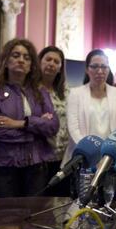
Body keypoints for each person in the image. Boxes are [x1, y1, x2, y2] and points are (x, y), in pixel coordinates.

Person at [0, 38, 59, 198]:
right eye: (16, 55)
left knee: (34, 216)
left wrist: (20, 123)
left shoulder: (41, 93)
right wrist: (38, 129)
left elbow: (53, 126)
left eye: (26, 57)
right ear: (6, 61)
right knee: (7, 218)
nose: (21, 60)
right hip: (5, 166)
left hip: (37, 165)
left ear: (31, 65)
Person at [62, 49, 116, 166]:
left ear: (108, 69)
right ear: (87, 69)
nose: (100, 71)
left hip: (111, 156)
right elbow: (73, 129)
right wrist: (90, 151)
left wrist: (111, 151)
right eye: (94, 66)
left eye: (104, 67)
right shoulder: (75, 94)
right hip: (82, 156)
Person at [38, 46, 70, 196]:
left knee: (59, 200)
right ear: (39, 62)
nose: (51, 64)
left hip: (64, 156)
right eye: (48, 59)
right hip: (41, 155)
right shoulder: (31, 90)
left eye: (56, 62)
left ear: (60, 68)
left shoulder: (66, 91)